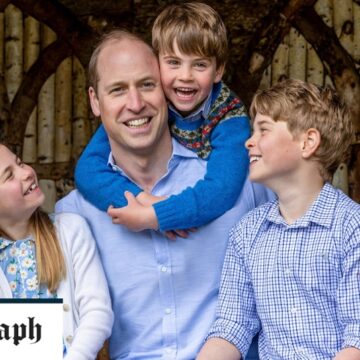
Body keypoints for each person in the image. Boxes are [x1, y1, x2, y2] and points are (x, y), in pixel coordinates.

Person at [56, 30, 270, 359]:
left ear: (166, 91)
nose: (136, 104)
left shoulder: (241, 183)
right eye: (117, 90)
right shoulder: (74, 218)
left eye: (146, 84)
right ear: (95, 102)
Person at [197, 79, 360, 360]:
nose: (249, 141)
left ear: (307, 142)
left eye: (264, 130)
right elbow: (232, 326)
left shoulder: (350, 228)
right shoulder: (247, 232)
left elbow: (357, 334)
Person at [74, 2, 251, 235]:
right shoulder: (154, 103)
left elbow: (222, 190)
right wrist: (141, 200)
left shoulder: (230, 118)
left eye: (199, 65)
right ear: (157, 64)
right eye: (174, 63)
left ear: (218, 71)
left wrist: (159, 215)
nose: (185, 76)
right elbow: (87, 171)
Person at [0, 143, 114, 359]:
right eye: (9, 176)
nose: (26, 173)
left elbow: (97, 312)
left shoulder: (70, 230)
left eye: (20, 163)